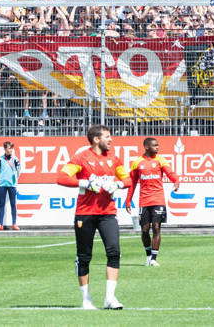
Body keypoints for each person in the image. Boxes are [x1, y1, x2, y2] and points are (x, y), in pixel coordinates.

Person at [57, 124, 131, 310]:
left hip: (108, 213)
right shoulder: (81, 158)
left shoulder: (114, 159)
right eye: (107, 136)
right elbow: (61, 178)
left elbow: (128, 179)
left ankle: (110, 298)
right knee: (84, 256)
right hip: (85, 213)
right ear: (97, 139)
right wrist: (85, 182)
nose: (111, 140)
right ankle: (86, 299)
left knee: (114, 252)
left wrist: (118, 185)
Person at [124, 137, 180, 267]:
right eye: (155, 146)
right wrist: (128, 200)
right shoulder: (137, 163)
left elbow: (170, 173)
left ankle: (154, 258)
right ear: (147, 147)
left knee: (156, 227)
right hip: (144, 200)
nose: (157, 147)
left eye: (158, 145)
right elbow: (132, 183)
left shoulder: (161, 160)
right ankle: (148, 255)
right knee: (144, 230)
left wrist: (176, 181)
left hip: (158, 199)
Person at [0, 141, 21, 231]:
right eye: (9, 148)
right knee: (1, 204)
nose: (10, 150)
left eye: (11, 148)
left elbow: (18, 171)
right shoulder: (0, 159)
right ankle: (0, 224)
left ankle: (14, 224)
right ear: (5, 149)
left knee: (13, 204)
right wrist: (2, 178)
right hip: (2, 184)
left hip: (12, 185)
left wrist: (14, 180)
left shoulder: (15, 159)